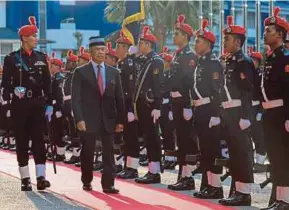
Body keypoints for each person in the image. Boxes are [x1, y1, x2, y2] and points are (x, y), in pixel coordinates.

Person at [1, 16, 52, 191]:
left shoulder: (41, 58)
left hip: (37, 105)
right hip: (19, 106)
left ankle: (41, 177)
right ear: (24, 38)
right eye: (33, 36)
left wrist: (50, 104)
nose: (36, 39)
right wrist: (13, 93)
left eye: (36, 36)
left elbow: (48, 83)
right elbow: (5, 85)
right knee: (21, 142)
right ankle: (25, 178)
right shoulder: (11, 59)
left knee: (39, 141)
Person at [71, 36, 125, 193]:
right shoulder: (81, 72)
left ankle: (108, 184)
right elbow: (76, 99)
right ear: (91, 52)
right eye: (97, 50)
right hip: (88, 119)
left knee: (109, 152)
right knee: (88, 150)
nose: (101, 53)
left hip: (109, 118)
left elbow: (119, 98)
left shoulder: (114, 72)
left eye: (103, 50)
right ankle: (86, 180)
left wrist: (120, 120)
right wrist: (79, 118)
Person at [219, 16, 254, 206]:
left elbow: (247, 91)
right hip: (229, 113)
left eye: (227, 39)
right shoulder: (231, 60)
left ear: (238, 42)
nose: (224, 41)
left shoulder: (243, 61)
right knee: (234, 153)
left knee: (242, 153)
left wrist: (245, 116)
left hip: (239, 112)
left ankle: (244, 193)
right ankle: (236, 189)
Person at [260, 7, 289, 209]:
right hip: (270, 114)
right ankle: (279, 199)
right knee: (275, 158)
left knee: (283, 157)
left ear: (280, 34)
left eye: (269, 30)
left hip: (281, 114)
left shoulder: (285, 57)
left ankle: (285, 200)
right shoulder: (270, 57)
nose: (265, 33)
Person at [192, 19, 223, 199]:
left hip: (209, 111)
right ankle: (208, 185)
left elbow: (217, 90)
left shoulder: (213, 63)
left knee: (212, 150)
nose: (196, 43)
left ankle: (216, 187)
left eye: (199, 41)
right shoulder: (201, 62)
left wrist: (216, 114)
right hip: (200, 111)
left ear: (208, 44)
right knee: (205, 150)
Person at [168, 14, 198, 191]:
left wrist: (187, 105)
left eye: (177, 33)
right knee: (181, 140)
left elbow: (189, 81)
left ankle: (188, 177)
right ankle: (183, 175)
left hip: (184, 102)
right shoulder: (178, 55)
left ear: (185, 36)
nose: (174, 36)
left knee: (186, 141)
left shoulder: (189, 55)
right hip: (176, 102)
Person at [133, 26, 164, 184]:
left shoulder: (156, 61)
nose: (139, 45)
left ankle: (155, 172)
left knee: (152, 139)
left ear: (149, 44)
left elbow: (158, 85)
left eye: (142, 42)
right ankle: (152, 169)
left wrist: (158, 107)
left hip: (151, 106)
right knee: (148, 138)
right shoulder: (146, 60)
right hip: (144, 106)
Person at [115, 31, 140, 179]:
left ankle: (133, 167)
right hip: (122, 106)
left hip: (129, 106)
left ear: (125, 48)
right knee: (126, 137)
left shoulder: (129, 64)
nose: (116, 49)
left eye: (119, 46)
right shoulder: (121, 63)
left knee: (131, 137)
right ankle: (127, 165)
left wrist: (131, 108)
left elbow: (131, 88)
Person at [247, 47, 266, 166]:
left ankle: (260, 160)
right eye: (251, 59)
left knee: (258, 135)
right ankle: (250, 159)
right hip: (248, 107)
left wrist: (260, 111)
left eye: (254, 60)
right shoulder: (248, 73)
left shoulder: (260, 74)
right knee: (247, 135)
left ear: (258, 62)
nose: (252, 62)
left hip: (257, 107)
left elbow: (263, 94)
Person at [158, 46, 176, 170]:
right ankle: (167, 157)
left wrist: (170, 108)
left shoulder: (171, 75)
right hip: (162, 106)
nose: (163, 64)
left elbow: (172, 92)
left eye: (165, 62)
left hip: (169, 106)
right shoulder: (161, 75)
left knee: (169, 134)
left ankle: (172, 158)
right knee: (164, 133)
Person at [48, 52, 66, 162]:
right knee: (53, 131)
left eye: (52, 65)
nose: (50, 67)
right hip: (52, 107)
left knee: (59, 132)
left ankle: (60, 154)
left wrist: (59, 109)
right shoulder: (52, 78)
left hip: (58, 108)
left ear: (58, 67)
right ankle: (55, 152)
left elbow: (60, 95)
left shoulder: (59, 78)